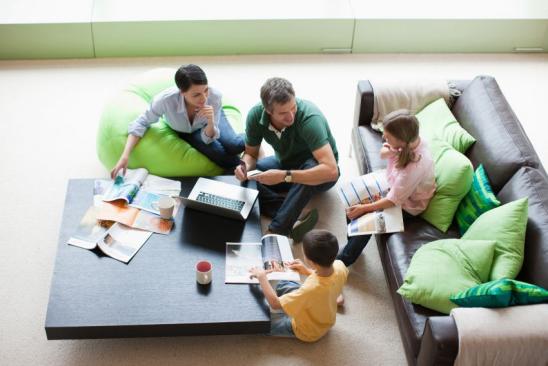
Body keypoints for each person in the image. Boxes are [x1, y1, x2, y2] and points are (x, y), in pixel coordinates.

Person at [234, 77, 339, 242]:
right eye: (283, 113)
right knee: (250, 178)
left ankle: (276, 231)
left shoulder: (310, 118)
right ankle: (292, 212)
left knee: (306, 173)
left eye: (293, 107)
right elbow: (251, 154)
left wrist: (284, 175)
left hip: (319, 170)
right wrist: (244, 167)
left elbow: (332, 171)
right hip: (285, 162)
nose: (291, 116)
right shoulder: (255, 115)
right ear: (268, 111)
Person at [337, 109, 436, 267]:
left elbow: (393, 200)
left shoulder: (416, 165)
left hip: (408, 205)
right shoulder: (407, 142)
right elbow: (383, 154)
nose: (384, 137)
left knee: (367, 222)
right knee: (352, 199)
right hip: (393, 185)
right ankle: (351, 243)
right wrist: (390, 149)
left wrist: (365, 208)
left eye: (388, 137)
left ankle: (343, 261)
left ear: (402, 140)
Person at [110, 64, 245, 179]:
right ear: (182, 92)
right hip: (186, 131)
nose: (204, 98)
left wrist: (210, 121)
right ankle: (244, 168)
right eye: (196, 94)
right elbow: (141, 122)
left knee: (235, 145)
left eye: (205, 90)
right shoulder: (165, 100)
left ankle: (254, 143)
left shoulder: (214, 97)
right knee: (222, 156)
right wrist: (125, 156)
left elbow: (212, 131)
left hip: (212, 118)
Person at [249, 230, 348, 342]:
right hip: (323, 307)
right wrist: (306, 271)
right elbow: (326, 279)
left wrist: (262, 277)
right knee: (283, 284)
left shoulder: (311, 289)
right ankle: (334, 299)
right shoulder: (340, 265)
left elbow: (275, 304)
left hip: (308, 330)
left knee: (259, 323)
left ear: (310, 261)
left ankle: (332, 299)